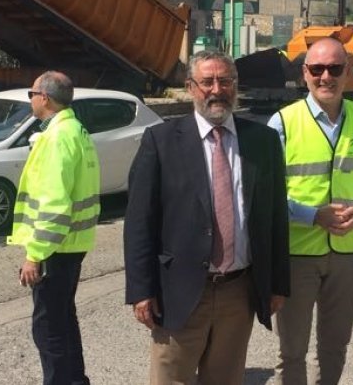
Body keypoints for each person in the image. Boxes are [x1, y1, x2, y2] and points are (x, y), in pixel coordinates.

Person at [124, 50, 290, 384]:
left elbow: (275, 218)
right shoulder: (161, 141)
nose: (217, 89)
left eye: (225, 81)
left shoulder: (263, 141)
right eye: (207, 82)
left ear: (236, 86)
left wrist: (277, 284)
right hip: (179, 292)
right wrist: (141, 289)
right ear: (190, 87)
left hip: (238, 292)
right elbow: (140, 222)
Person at [268, 36, 353, 385]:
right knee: (292, 351)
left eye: (335, 68)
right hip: (297, 253)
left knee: (335, 346)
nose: (326, 77)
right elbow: (268, 194)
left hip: (346, 254)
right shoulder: (283, 123)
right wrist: (312, 216)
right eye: (317, 69)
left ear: (347, 72)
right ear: (304, 73)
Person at [8, 71, 100, 385]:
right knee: (63, 319)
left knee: (48, 328)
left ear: (44, 97)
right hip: (73, 243)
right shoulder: (75, 130)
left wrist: (34, 255)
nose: (30, 99)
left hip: (55, 247)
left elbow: (53, 203)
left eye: (31, 94)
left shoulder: (58, 137)